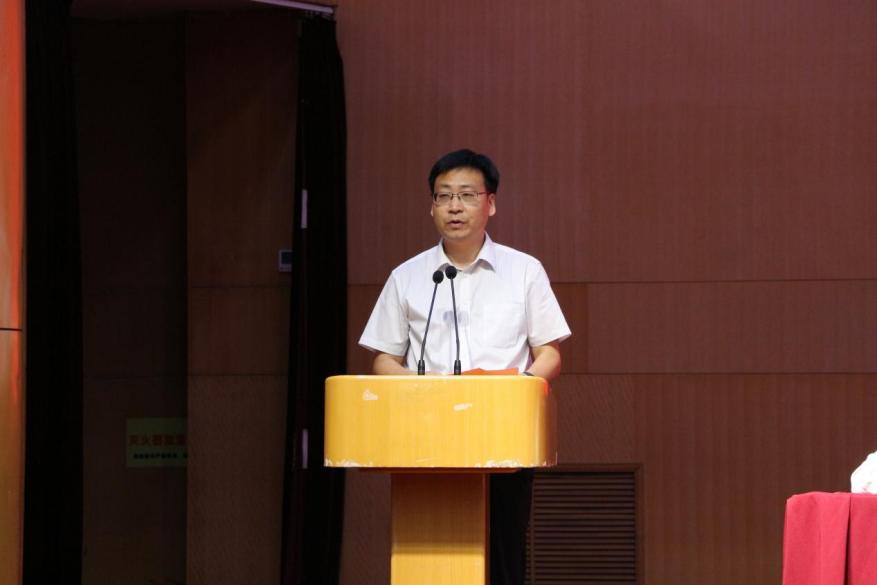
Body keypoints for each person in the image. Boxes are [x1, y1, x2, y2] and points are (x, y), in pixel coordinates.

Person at [358, 148, 571, 585]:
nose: (455, 207)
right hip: (425, 438)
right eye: (444, 196)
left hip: (503, 436)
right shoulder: (407, 276)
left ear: (490, 204)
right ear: (432, 206)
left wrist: (517, 390)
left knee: (504, 557)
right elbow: (383, 358)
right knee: (429, 553)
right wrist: (426, 387)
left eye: (467, 195)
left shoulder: (524, 271)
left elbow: (549, 353)